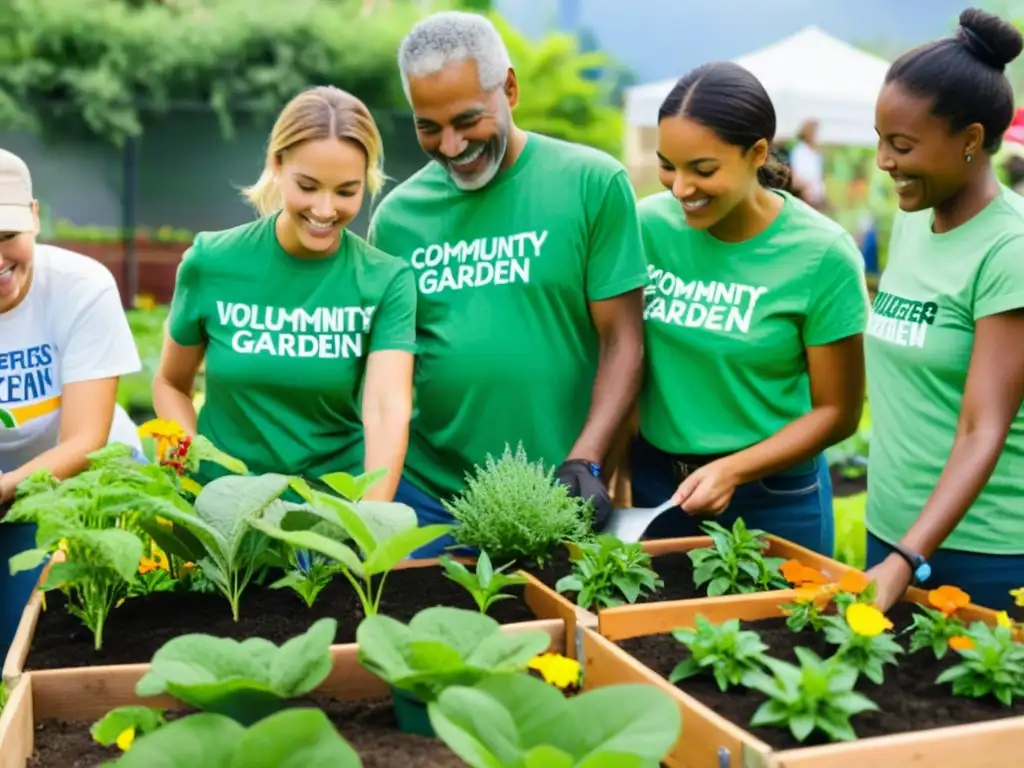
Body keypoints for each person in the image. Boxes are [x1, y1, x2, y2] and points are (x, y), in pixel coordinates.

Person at [368, 11, 647, 556]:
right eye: (428, 126)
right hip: (429, 499)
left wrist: (587, 460)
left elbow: (624, 342)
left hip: (560, 492)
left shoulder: (592, 184)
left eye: (467, 120)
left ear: (510, 88)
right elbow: (386, 370)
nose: (450, 146)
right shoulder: (396, 219)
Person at [630, 61, 869, 555]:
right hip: (658, 490)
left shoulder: (821, 254)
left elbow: (838, 412)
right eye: (668, 165)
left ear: (758, 153)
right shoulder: (645, 228)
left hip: (773, 498)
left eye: (704, 169)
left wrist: (733, 469)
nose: (680, 189)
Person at [152, 86, 416, 502]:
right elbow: (170, 384)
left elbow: (386, 411)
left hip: (328, 517)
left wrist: (368, 523)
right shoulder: (211, 261)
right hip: (221, 513)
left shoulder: (386, 280)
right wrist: (188, 464)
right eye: (308, 186)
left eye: (346, 191)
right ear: (277, 164)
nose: (326, 210)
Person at [866, 8, 1024, 612]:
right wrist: (895, 549)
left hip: (982, 555)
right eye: (879, 140)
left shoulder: (1008, 250)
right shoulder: (915, 223)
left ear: (971, 140)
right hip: (891, 535)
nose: (883, 161)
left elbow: (984, 426)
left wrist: (909, 557)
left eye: (901, 145)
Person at [0, 148, 143, 657]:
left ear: (34, 217)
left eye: (6, 237)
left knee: (52, 639)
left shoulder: (81, 286)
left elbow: (86, 440)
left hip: (86, 482)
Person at [789, 118, 829, 211]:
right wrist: (807, 190)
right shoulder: (799, 152)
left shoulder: (815, 154)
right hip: (807, 199)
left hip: (816, 199)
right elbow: (797, 178)